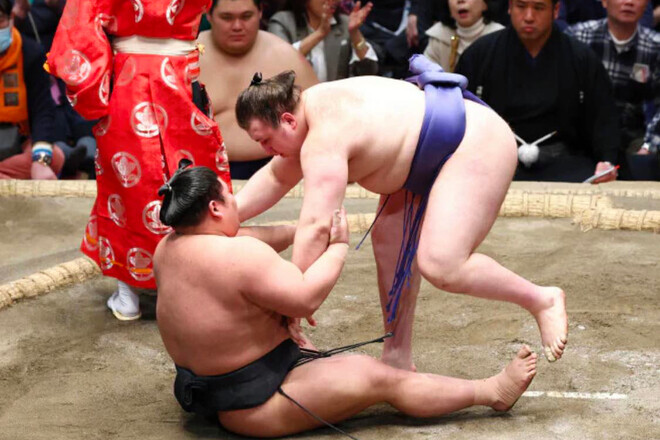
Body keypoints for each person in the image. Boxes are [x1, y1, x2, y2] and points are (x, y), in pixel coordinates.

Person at [153, 163, 539, 438]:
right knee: (378, 377)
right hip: (256, 406)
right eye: (229, 196)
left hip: (209, 393)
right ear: (215, 208)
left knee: (306, 348)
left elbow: (247, 240)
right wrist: (337, 247)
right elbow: (305, 299)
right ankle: (491, 392)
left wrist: (301, 230)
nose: (236, 202)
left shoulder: (167, 249)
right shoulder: (238, 256)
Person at [233, 57, 568, 371]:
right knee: (389, 242)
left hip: (474, 141)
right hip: (425, 152)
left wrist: (293, 300)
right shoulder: (310, 111)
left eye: (266, 141)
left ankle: (541, 299)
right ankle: (397, 354)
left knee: (442, 263)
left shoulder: (324, 137)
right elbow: (276, 176)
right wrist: (228, 216)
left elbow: (317, 225)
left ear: (287, 121)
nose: (266, 151)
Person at [47, 0, 232, 320]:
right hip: (180, 77)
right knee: (194, 175)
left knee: (128, 186)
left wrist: (92, 85)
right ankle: (200, 282)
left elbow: (81, 25)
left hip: (129, 82)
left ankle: (128, 294)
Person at [455, 0, 622, 182]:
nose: (529, 17)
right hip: (495, 159)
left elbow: (603, 116)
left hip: (564, 161)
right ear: (510, 7)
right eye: (521, 7)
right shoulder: (480, 54)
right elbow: (459, 112)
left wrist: (607, 160)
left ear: (555, 10)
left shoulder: (580, 57)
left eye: (539, 8)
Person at [198, 0, 318, 180]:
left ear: (260, 12)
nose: (237, 26)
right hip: (201, 170)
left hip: (278, 170)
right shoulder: (187, 57)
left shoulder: (286, 56)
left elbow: (319, 119)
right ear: (209, 15)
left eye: (246, 16)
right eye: (227, 17)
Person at [566, 0, 660, 180]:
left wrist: (650, 145)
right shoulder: (577, 36)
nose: (629, 2)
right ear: (604, 1)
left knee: (645, 166)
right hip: (582, 136)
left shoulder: (655, 45)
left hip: (632, 137)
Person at [0, 0, 63, 180]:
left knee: (55, 157)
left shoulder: (30, 52)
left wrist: (40, 161)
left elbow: (42, 110)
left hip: (16, 138)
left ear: (11, 18)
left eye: (0, 20)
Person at [268, 0, 378, 82]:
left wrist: (355, 33)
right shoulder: (282, 21)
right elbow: (279, 65)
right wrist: (320, 34)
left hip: (334, 100)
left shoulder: (344, 23)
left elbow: (370, 71)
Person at [423, 0, 504, 72]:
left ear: (485, 4)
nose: (460, 0)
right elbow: (425, 74)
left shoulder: (500, 38)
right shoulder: (439, 35)